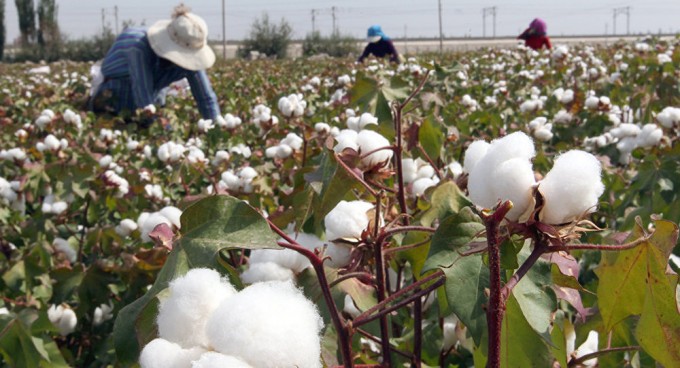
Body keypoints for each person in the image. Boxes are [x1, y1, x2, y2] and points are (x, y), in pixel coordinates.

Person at [90, 4, 223, 125]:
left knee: (162, 114)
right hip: (114, 95)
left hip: (153, 93)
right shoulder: (137, 46)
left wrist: (218, 128)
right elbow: (143, 94)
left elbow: (206, 97)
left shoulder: (189, 44)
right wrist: (159, 131)